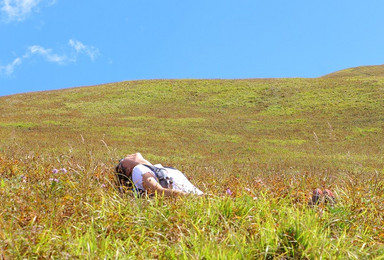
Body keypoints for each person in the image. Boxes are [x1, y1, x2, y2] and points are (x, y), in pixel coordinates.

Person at [115, 153, 203, 197]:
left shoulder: (158, 168)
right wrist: (197, 198)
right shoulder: (137, 170)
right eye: (121, 162)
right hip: (197, 200)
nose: (126, 156)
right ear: (128, 170)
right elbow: (159, 191)